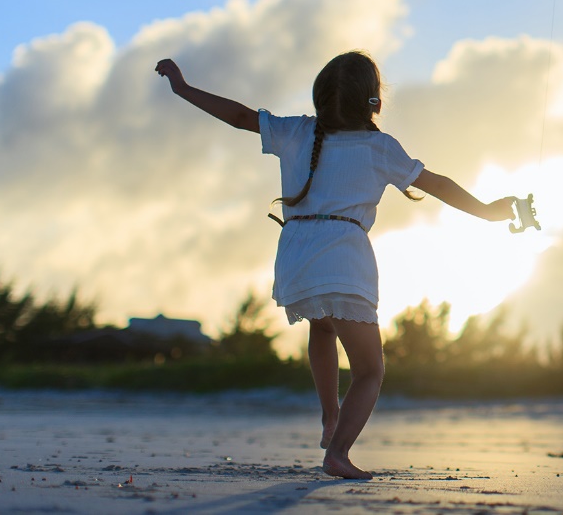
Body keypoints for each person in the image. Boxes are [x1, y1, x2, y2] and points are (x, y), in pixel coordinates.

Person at [155, 51, 516, 479]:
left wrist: (183, 88)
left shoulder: (296, 132)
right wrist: (488, 211)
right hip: (344, 255)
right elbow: (436, 184)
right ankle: (339, 452)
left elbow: (238, 116)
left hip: (296, 254)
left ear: (319, 98)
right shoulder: (379, 147)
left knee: (323, 327)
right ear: (374, 102)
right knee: (370, 370)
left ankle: (330, 417)